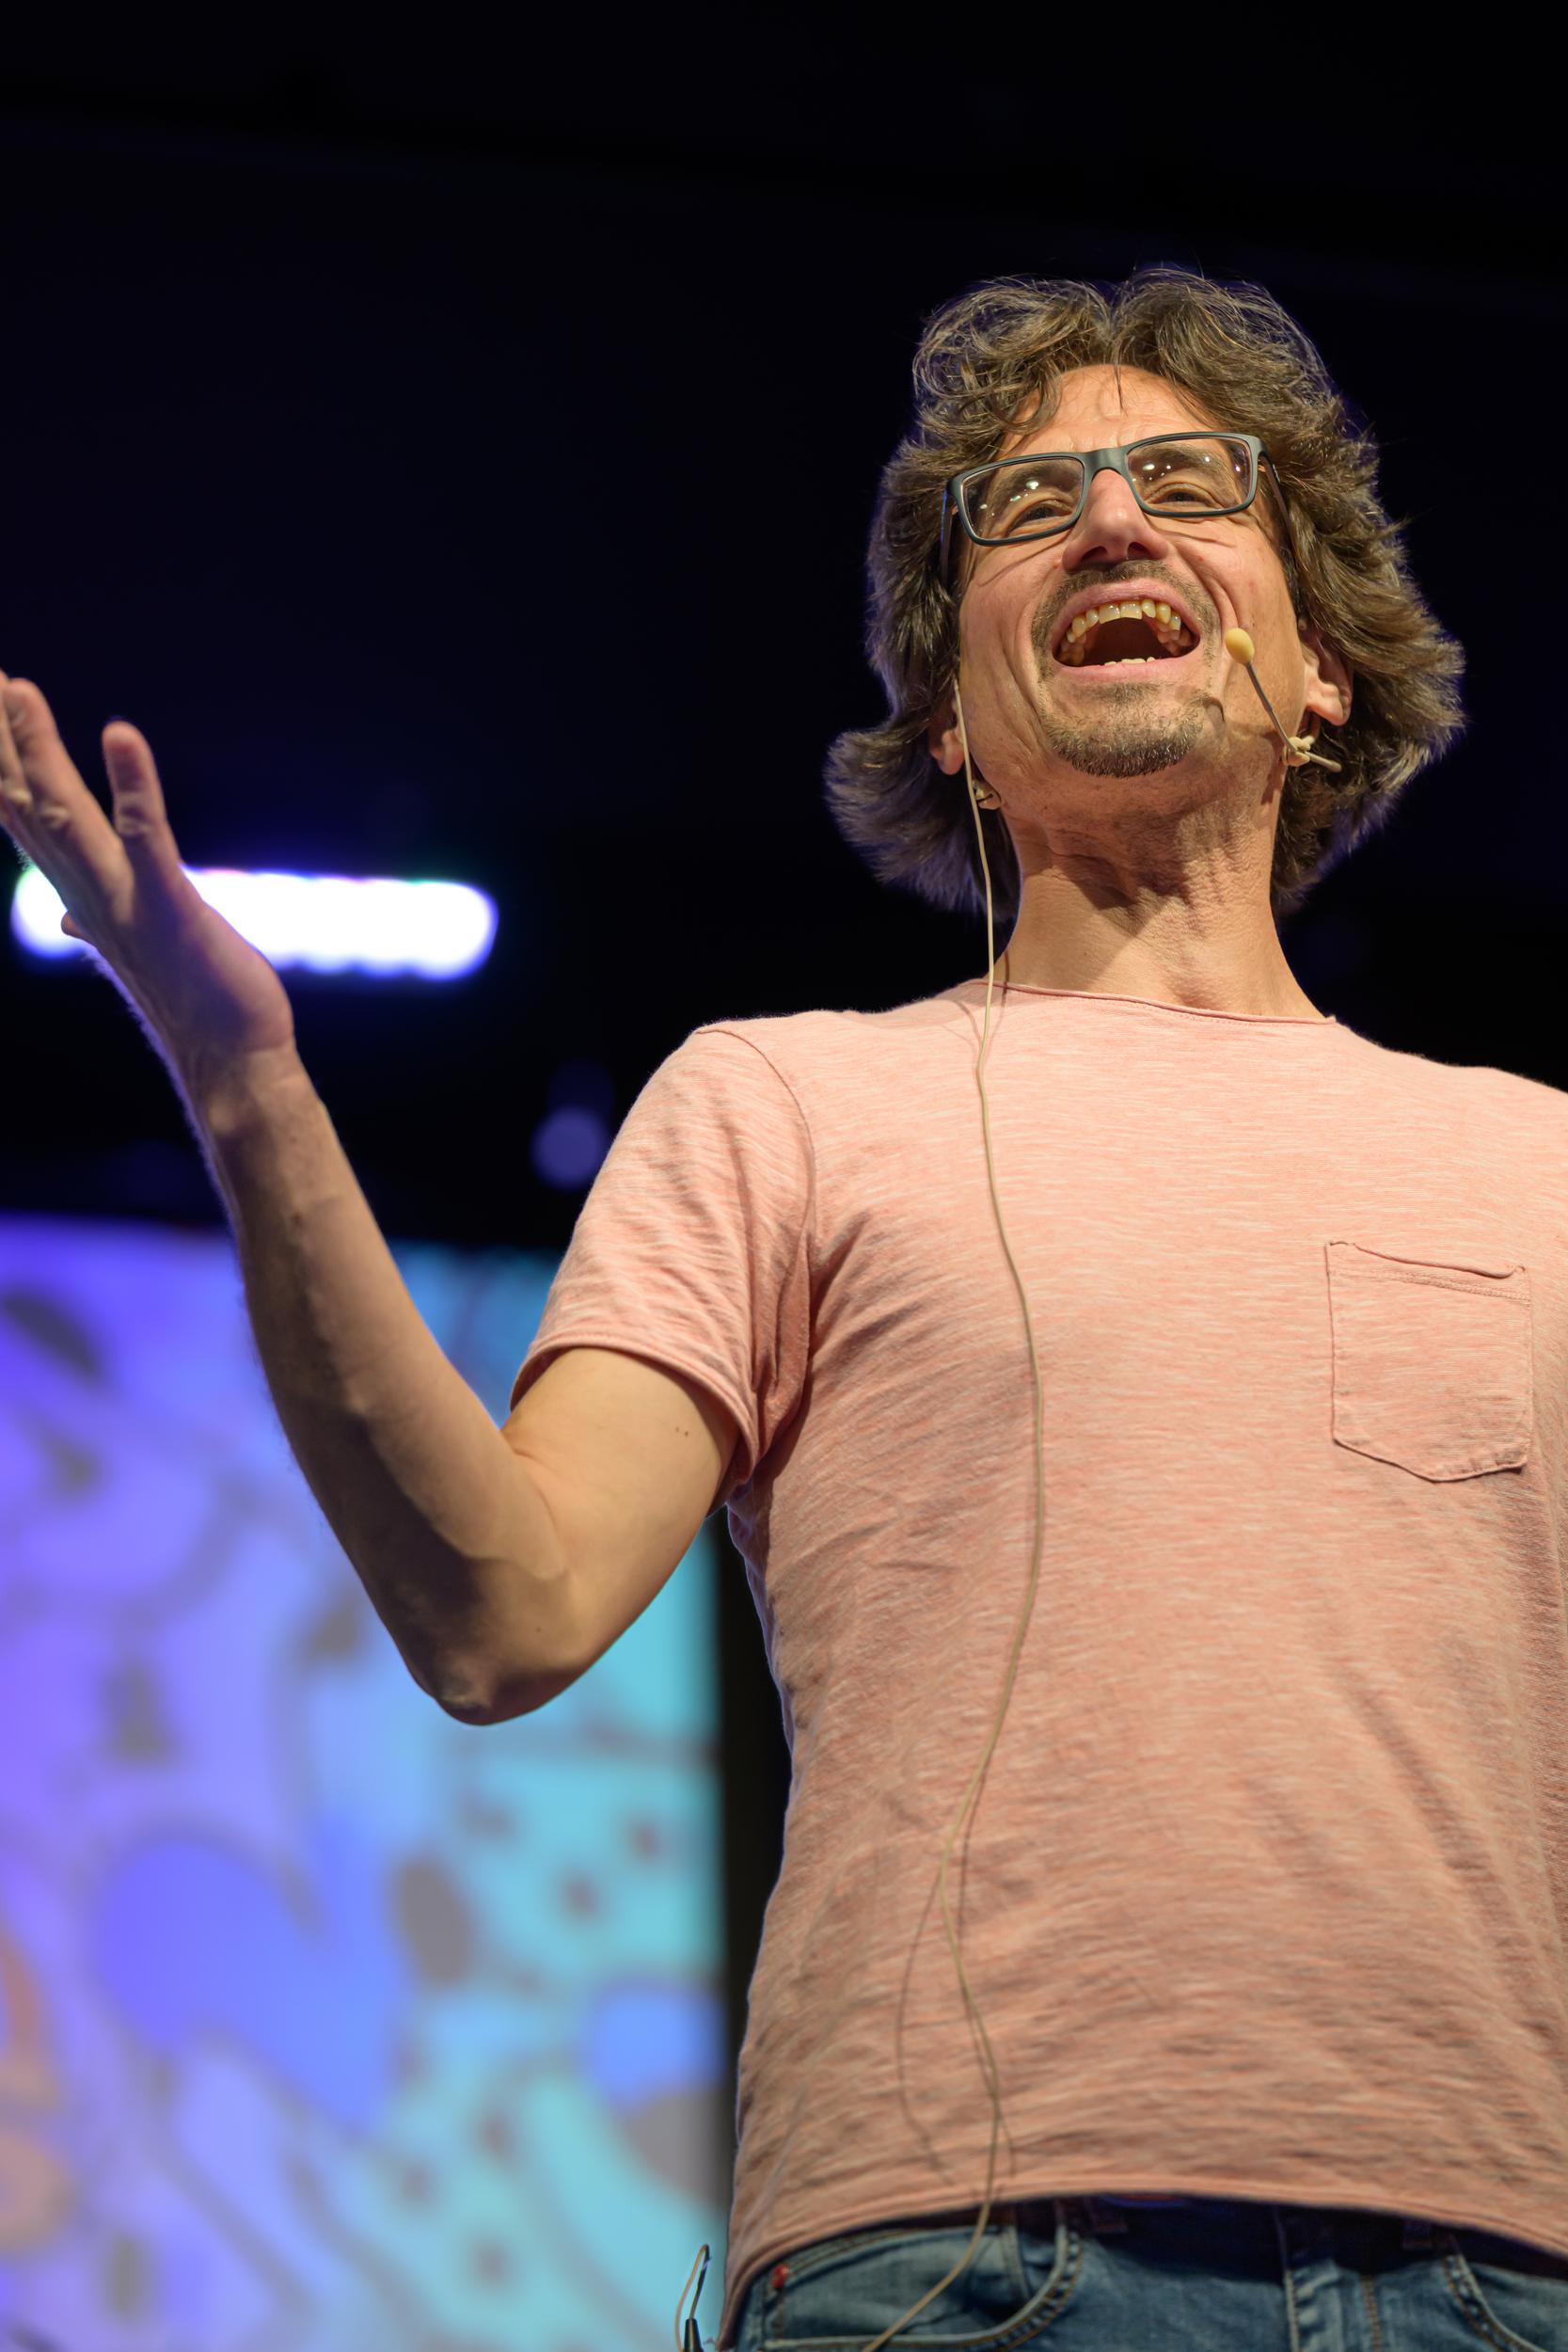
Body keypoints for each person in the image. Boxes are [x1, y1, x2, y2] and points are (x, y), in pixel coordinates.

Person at [1, 267, 1564, 2352]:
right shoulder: (782, 1103)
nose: (1113, 522)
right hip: (963, 2270)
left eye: (1189, 485)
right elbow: (501, 1609)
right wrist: (244, 1082)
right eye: (1030, 509)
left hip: (1506, 2278)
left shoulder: (1538, 1163)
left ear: (1325, 675)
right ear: (954, 724)